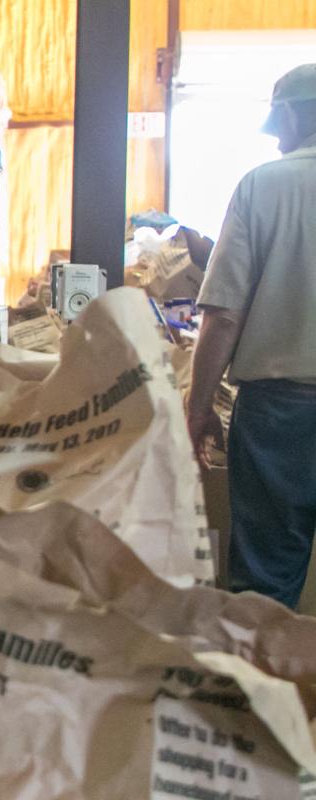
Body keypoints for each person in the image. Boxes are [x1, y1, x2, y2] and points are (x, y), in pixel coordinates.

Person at [187, 63, 316, 609]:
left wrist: (197, 405)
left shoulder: (264, 185)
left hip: (278, 413)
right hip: (278, 411)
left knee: (264, 587)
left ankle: (263, 692)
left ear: (289, 114)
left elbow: (224, 315)